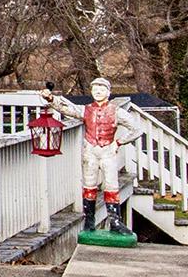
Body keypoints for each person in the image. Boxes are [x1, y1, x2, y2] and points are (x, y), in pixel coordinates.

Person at [45, 77, 141, 234]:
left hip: (108, 151)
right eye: (95, 89)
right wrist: (51, 98)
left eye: (102, 89)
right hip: (90, 151)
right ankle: (89, 220)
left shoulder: (116, 111)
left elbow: (136, 129)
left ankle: (115, 222)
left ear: (108, 92)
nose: (98, 92)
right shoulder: (86, 109)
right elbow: (67, 108)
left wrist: (118, 142)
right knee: (89, 185)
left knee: (111, 185)